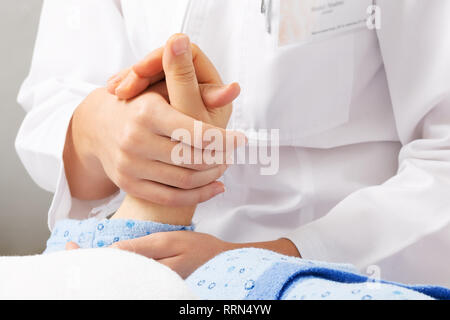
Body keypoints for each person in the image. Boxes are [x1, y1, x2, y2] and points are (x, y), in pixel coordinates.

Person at [16, 0, 450, 287]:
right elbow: (54, 101)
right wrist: (96, 131)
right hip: (125, 259)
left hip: (339, 269)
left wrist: (265, 263)